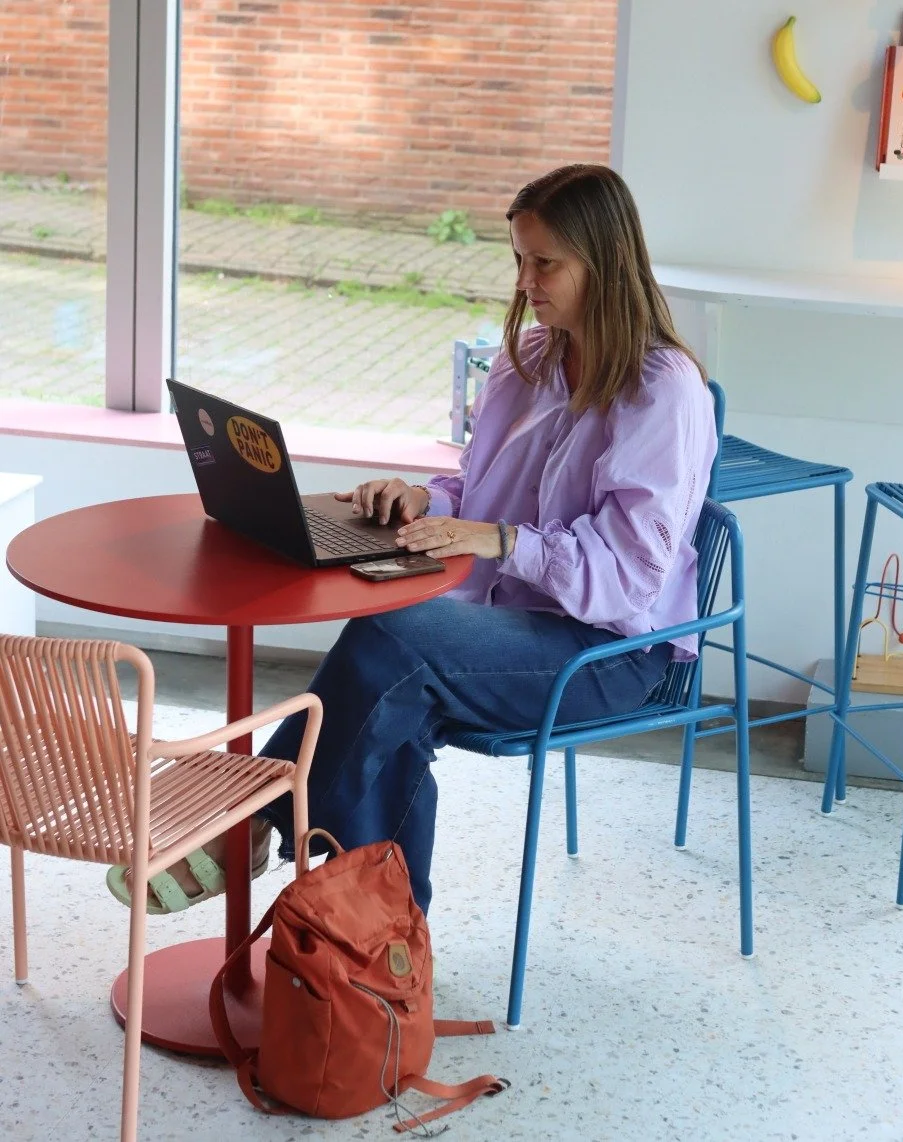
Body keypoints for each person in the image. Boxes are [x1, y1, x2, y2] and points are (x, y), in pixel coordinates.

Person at [109, 163, 718, 915]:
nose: (526, 281)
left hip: (608, 650)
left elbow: (626, 574)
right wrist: (423, 499)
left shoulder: (661, 391)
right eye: (519, 260)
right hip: (509, 621)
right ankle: (373, 974)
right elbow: (481, 491)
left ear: (607, 259)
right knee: (386, 707)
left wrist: (498, 539)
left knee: (393, 645)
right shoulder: (529, 360)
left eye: (545, 263)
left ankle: (251, 826)